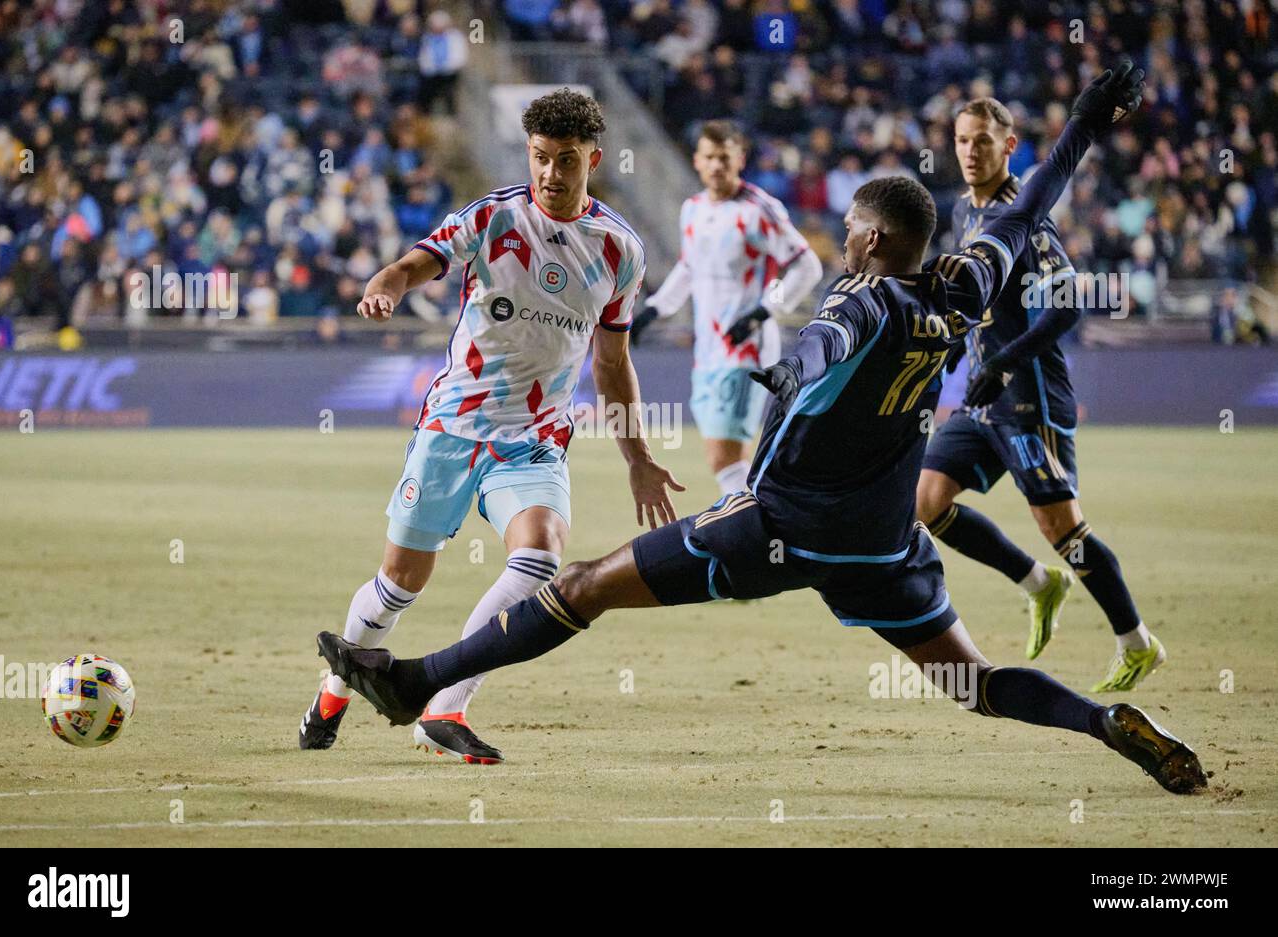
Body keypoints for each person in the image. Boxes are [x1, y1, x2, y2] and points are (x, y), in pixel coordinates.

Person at [319, 63, 1207, 796]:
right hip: (885, 549)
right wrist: (1087, 115)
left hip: (778, 526)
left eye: (851, 233)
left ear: (864, 239)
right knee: (975, 684)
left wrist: (789, 368)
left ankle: (419, 682)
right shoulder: (963, 288)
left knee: (583, 586)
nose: (845, 245)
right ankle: (1099, 718)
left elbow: (831, 340)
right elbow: (1031, 204)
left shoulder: (858, 299)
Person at [299, 89, 684, 763]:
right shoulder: (491, 217)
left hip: (533, 440)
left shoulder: (620, 250)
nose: (551, 174)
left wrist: (637, 457)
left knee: (540, 557)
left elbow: (613, 361)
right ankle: (335, 687)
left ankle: (444, 706)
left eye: (566, 160)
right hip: (454, 428)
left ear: (593, 159)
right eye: (540, 157)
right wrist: (388, 285)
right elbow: (414, 261)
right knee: (398, 585)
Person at [917, 97, 1164, 692]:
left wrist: (1004, 361)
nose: (971, 151)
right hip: (983, 393)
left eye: (983, 141)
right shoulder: (961, 211)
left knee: (1062, 528)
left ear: (1009, 147)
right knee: (926, 502)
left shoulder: (1023, 214)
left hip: (1030, 392)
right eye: (962, 140)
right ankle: (1037, 583)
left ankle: (1136, 642)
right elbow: (974, 299)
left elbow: (1068, 304)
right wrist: (956, 345)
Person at [631, 120, 823, 496]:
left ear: (740, 159)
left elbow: (807, 267)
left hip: (746, 348)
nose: (717, 165)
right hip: (708, 347)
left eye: (724, 157)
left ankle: (747, 533)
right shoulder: (693, 209)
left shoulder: (758, 210)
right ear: (697, 162)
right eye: (709, 157)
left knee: (725, 455)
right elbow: (690, 265)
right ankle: (758, 521)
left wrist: (764, 311)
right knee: (723, 456)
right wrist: (656, 309)